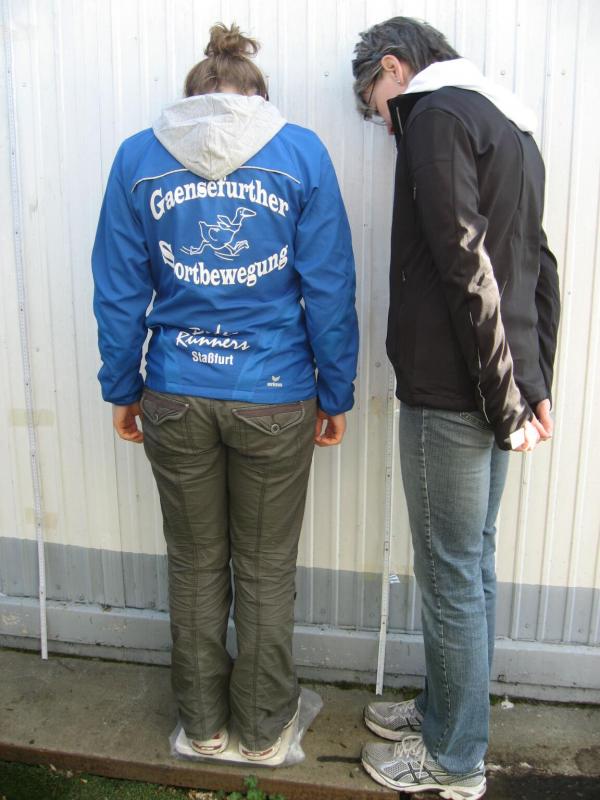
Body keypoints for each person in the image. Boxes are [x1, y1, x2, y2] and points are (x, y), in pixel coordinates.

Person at [92, 22, 358, 762]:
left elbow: (118, 288)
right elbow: (329, 285)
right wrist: (335, 391)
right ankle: (265, 731)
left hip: (174, 389)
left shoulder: (139, 158)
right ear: (257, 99)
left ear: (191, 102)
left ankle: (204, 727)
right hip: (275, 391)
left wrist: (123, 385)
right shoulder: (300, 153)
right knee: (266, 565)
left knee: (194, 560)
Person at [352, 16, 560, 799]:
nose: (385, 124)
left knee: (450, 573)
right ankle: (447, 714)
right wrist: (532, 387)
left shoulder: (436, 115)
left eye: (375, 105)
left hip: (453, 390)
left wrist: (510, 399)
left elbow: (466, 262)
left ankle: (453, 760)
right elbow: (537, 267)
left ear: (394, 68)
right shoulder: (510, 124)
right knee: (470, 564)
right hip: (491, 385)